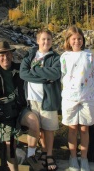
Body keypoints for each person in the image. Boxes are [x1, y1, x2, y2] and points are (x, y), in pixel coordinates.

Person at [0, 41, 40, 171]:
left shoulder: (19, 68)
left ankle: (30, 154)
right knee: (11, 149)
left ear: (11, 54)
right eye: (1, 55)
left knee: (34, 122)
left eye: (7, 54)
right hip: (6, 117)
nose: (5, 57)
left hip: (21, 109)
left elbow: (35, 67)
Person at [20, 28, 61, 171]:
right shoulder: (30, 55)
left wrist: (35, 70)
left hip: (48, 99)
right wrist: (45, 78)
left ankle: (48, 155)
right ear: (37, 41)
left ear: (52, 41)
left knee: (48, 129)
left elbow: (55, 74)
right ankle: (37, 154)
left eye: (49, 39)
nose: (46, 42)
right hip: (31, 100)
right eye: (43, 39)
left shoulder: (55, 57)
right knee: (37, 127)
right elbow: (23, 74)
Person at [60, 26, 94, 171]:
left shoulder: (90, 56)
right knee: (72, 129)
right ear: (69, 41)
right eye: (74, 39)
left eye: (79, 38)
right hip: (70, 98)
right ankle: (73, 157)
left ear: (83, 40)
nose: (77, 41)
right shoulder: (64, 57)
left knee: (84, 129)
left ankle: (84, 158)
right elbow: (63, 75)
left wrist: (89, 89)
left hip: (87, 98)